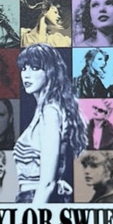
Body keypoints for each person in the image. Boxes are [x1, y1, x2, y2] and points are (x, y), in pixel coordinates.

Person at [13, 44, 87, 203]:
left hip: (35, 200)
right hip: (35, 197)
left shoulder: (50, 112)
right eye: (24, 68)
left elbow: (47, 183)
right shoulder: (45, 110)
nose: (26, 75)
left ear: (50, 72)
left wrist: (32, 214)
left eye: (35, 68)